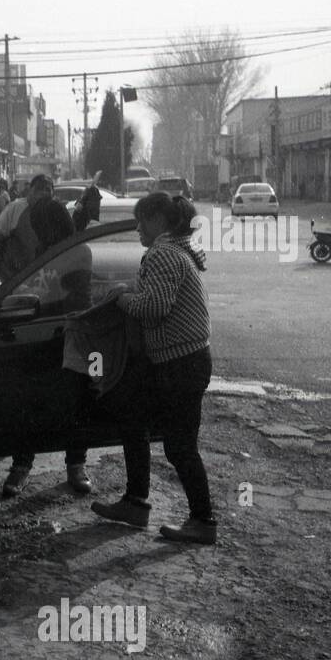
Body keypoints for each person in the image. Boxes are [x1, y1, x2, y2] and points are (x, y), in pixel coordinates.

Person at [92, 192, 217, 545]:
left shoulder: (163, 253)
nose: (137, 229)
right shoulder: (176, 250)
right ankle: (135, 502)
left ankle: (203, 520)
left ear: (159, 221)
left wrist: (121, 298)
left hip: (182, 364)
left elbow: (156, 306)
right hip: (182, 361)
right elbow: (158, 293)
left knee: (180, 446)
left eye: (141, 221)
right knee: (133, 417)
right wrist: (128, 290)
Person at [1, 197, 94, 498]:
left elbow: (77, 300)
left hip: (68, 339)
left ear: (51, 225)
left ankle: (76, 466)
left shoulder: (79, 252)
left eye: (39, 226)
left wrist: (39, 300)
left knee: (73, 405)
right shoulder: (37, 252)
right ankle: (21, 466)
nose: (35, 232)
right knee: (27, 403)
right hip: (35, 337)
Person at [0, 173, 54, 280]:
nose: (43, 193)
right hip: (15, 281)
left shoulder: (55, 213)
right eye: (39, 189)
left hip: (45, 279)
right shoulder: (15, 208)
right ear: (31, 191)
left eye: (47, 189)